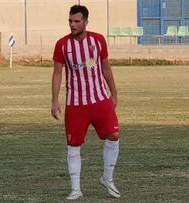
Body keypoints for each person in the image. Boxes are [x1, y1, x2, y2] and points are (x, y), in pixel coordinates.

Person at [51, 4, 121, 200]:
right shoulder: (62, 45)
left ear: (86, 22)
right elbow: (57, 73)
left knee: (114, 134)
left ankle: (107, 178)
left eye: (77, 21)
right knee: (73, 145)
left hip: (99, 99)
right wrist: (54, 101)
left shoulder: (98, 40)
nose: (72, 25)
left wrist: (114, 94)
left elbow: (106, 68)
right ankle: (76, 189)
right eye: (70, 21)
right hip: (75, 104)